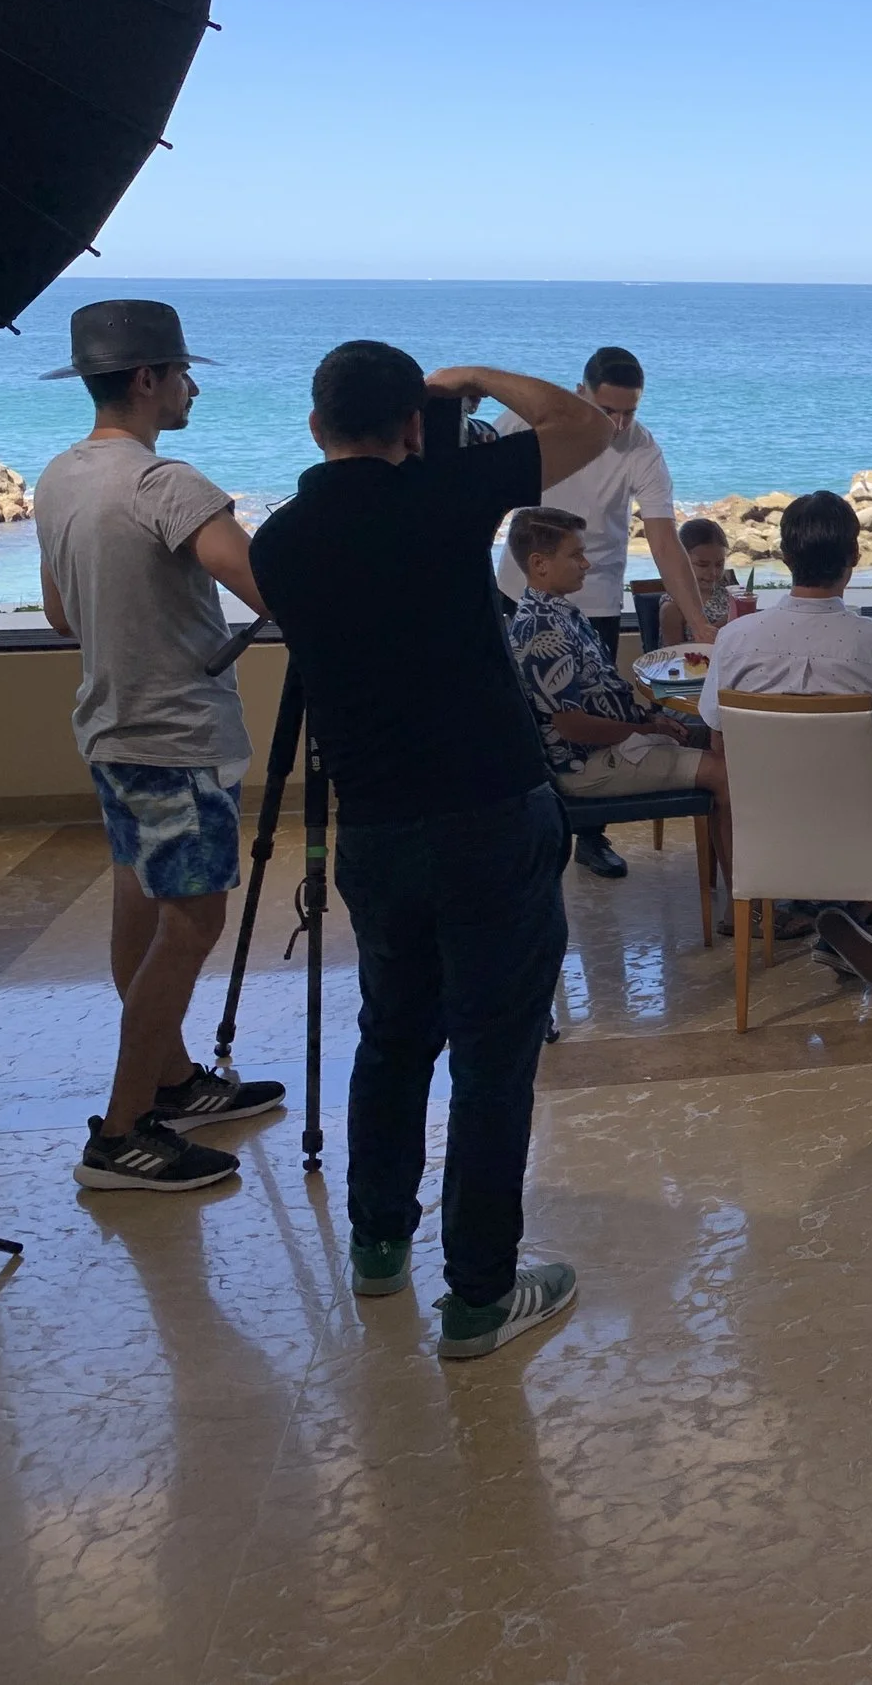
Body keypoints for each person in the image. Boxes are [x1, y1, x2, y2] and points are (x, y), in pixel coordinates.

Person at [248, 341, 613, 1360]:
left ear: (316, 427)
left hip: (370, 827)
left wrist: (422, 419)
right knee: (494, 1062)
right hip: (490, 811)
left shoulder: (277, 544)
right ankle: (481, 1298)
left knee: (394, 1034)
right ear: (413, 424)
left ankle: (376, 1248)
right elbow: (582, 425)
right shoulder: (448, 495)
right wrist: (477, 378)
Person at [33, 300, 286, 1194]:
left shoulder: (60, 477)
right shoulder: (166, 484)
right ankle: (125, 1127)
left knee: (140, 902)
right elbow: (266, 581)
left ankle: (174, 1079)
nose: (191, 387)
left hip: (110, 725)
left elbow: (63, 611)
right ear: (146, 379)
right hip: (177, 738)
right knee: (193, 921)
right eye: (181, 372)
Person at [701, 491, 872, 990]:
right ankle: (854, 909)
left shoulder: (735, 640)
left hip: (767, 829)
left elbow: (720, 743)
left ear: (785, 557)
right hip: (861, 829)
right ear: (854, 559)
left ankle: (818, 911)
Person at [492, 346, 715, 880]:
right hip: (518, 590)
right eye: (607, 410)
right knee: (514, 718)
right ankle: (518, 829)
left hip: (594, 597)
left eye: (629, 412)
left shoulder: (640, 448)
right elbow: (480, 487)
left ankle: (591, 837)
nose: (617, 424)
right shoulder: (531, 419)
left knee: (600, 708)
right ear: (580, 394)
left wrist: (702, 624)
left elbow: (664, 541)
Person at [505, 505, 731, 881]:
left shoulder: (560, 614)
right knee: (725, 773)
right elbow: (573, 726)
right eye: (576, 554)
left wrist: (652, 720)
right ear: (540, 564)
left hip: (613, 744)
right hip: (586, 765)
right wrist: (644, 732)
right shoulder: (542, 631)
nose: (586, 564)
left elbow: (602, 694)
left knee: (729, 744)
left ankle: (740, 884)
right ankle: (744, 908)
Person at [661, 516, 734, 643]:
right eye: (702, 565)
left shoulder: (727, 593)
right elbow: (674, 656)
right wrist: (724, 624)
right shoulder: (673, 608)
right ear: (681, 562)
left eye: (719, 564)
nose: (713, 573)